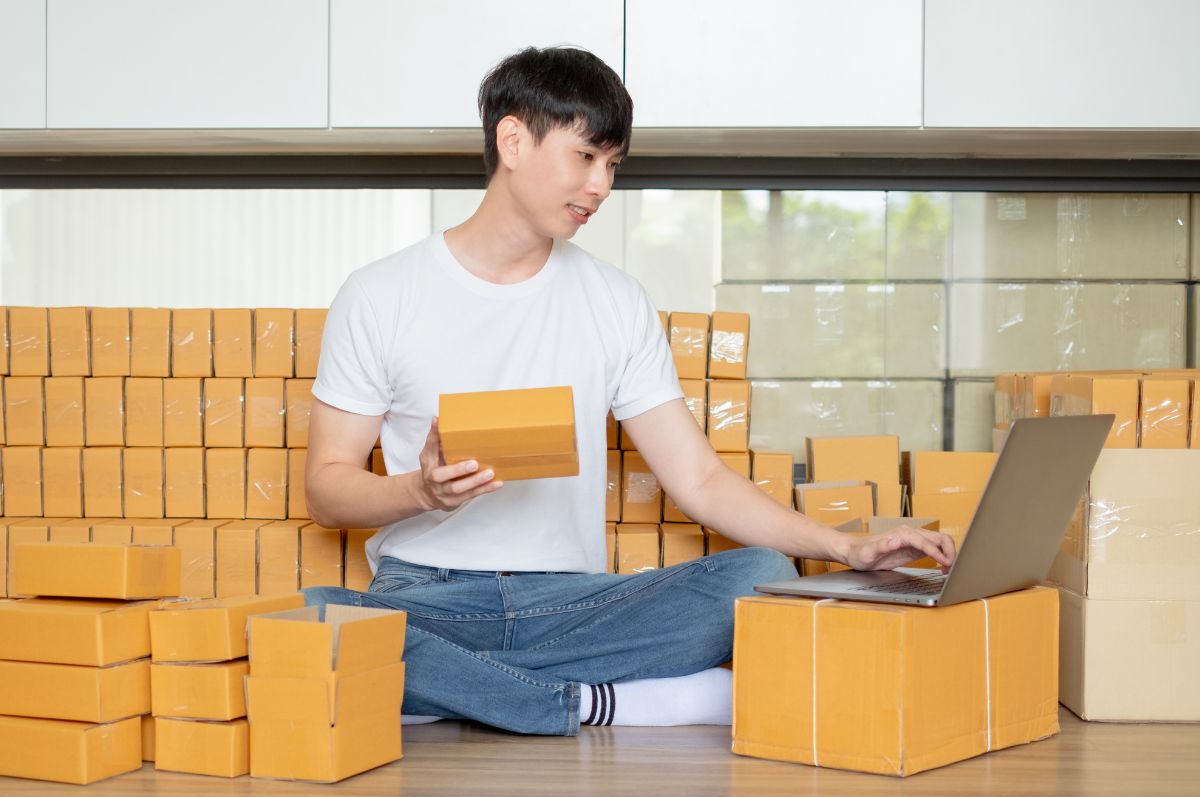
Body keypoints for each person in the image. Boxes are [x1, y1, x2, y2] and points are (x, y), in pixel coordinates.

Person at [301, 46, 955, 736]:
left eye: (613, 165)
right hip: (429, 595)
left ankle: (454, 691)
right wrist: (420, 491)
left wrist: (845, 548)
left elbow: (698, 478)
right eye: (586, 156)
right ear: (514, 140)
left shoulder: (614, 300)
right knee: (315, 613)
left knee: (755, 575)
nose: (601, 186)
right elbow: (325, 489)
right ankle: (586, 702)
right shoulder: (380, 294)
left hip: (575, 605)